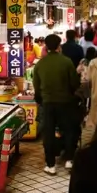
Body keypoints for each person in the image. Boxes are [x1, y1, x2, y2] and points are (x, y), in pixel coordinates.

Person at [32, 33, 81, 174]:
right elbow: (75, 83)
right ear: (59, 46)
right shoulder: (67, 62)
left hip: (48, 103)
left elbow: (37, 87)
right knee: (69, 130)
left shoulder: (40, 64)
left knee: (48, 133)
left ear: (46, 47)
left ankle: (51, 165)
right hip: (66, 102)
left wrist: (41, 100)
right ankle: (69, 160)